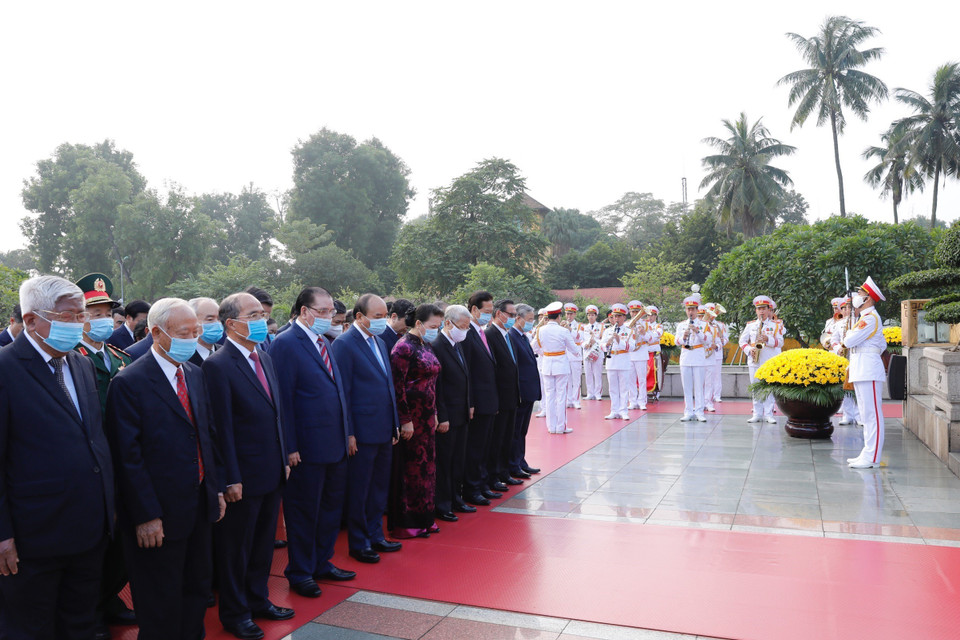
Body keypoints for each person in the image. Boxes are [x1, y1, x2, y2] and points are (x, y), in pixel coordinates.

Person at [0, 275, 115, 640]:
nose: (79, 324)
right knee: (31, 628)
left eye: (81, 316)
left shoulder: (79, 363)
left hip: (88, 528)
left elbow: (93, 438)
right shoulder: (5, 369)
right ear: (31, 320)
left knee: (81, 623)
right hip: (33, 536)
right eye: (67, 317)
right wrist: (2, 534)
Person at [105, 297, 225, 640]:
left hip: (198, 508)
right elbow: (127, 458)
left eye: (196, 331)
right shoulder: (128, 383)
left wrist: (214, 490)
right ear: (157, 333)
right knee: (160, 603)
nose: (193, 338)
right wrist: (145, 515)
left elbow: (207, 436)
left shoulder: (196, 375)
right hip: (157, 515)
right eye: (184, 332)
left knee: (195, 593)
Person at [203, 292, 292, 640]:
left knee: (262, 545)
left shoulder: (263, 356)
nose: (261, 320)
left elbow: (276, 413)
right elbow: (220, 428)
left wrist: (284, 456)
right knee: (235, 551)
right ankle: (235, 612)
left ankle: (259, 599)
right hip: (242, 476)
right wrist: (230, 477)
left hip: (271, 470)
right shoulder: (218, 365)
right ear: (232, 324)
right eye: (252, 314)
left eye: (262, 314)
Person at [267, 287, 351, 598]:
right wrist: (289, 447)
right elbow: (283, 402)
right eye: (325, 311)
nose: (331, 316)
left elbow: (337, 392)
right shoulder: (287, 344)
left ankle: (321, 561)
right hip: (305, 448)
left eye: (332, 311)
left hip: (334, 443)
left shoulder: (324, 342)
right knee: (304, 512)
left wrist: (347, 434)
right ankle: (300, 570)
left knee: (329, 509)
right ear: (305, 311)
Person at [73, 273, 136, 638]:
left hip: (124, 460)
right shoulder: (73, 358)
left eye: (106, 310)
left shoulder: (119, 356)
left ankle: (110, 595)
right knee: (95, 541)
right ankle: (93, 607)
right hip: (93, 466)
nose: (101, 318)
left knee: (122, 540)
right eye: (93, 311)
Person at [331, 294, 402, 564]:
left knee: (378, 487)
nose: (382, 321)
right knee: (360, 489)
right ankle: (359, 542)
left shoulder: (379, 341)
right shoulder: (344, 345)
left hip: (384, 428)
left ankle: (376, 535)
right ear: (359, 317)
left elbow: (388, 386)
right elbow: (344, 393)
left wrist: (394, 421)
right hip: (361, 431)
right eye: (376, 316)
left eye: (384, 315)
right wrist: (349, 432)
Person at [389, 304, 444, 538]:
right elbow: (397, 386)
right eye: (433, 326)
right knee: (410, 470)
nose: (436, 330)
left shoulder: (426, 344)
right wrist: (405, 419)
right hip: (411, 420)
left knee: (427, 470)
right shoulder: (402, 348)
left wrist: (436, 412)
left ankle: (425, 518)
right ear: (419, 324)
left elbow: (432, 383)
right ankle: (407, 522)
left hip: (428, 416)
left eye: (439, 326)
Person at [432, 305, 474, 520]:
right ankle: (443, 503)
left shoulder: (457, 344)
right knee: (445, 462)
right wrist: (443, 416)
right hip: (448, 416)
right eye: (462, 327)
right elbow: (438, 387)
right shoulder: (437, 346)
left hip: (462, 413)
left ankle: (456, 499)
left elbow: (465, 378)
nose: (465, 331)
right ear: (448, 323)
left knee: (458, 459)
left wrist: (469, 404)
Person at [843, 277, 888, 469]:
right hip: (862, 368)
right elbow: (881, 343)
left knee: (872, 415)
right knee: (865, 413)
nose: (856, 297)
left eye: (860, 294)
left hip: (868, 369)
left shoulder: (870, 318)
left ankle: (873, 456)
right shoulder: (865, 318)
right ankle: (868, 452)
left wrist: (849, 335)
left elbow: (849, 341)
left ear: (868, 298)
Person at [460, 291, 500, 506]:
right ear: (474, 310)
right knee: (475, 448)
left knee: (485, 446)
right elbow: (467, 372)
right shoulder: (467, 335)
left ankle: (482, 484)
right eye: (486, 311)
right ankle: (472, 488)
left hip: (490, 400)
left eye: (491, 311)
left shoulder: (482, 333)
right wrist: (471, 402)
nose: (489, 315)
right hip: (477, 402)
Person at [486, 299, 523, 490]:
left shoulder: (507, 335)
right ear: (499, 314)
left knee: (507, 437)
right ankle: (493, 476)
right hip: (500, 397)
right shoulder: (490, 334)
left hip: (511, 396)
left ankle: (504, 472)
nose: (513, 318)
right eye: (510, 314)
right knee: (497, 439)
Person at [533, 301, 579, 433]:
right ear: (559, 317)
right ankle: (560, 426)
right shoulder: (563, 331)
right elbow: (574, 349)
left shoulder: (540, 330)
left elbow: (534, 347)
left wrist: (545, 353)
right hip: (561, 365)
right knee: (561, 396)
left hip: (547, 364)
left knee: (549, 396)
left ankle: (551, 427)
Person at [508, 304, 542, 477]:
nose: (531, 323)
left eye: (532, 319)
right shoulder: (512, 336)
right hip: (521, 392)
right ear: (518, 318)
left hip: (529, 391)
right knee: (516, 430)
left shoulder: (523, 336)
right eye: (529, 320)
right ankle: (514, 464)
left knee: (522, 430)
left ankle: (521, 461)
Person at [739, 296, 784, 424]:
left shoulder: (776, 325)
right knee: (755, 387)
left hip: (769, 360)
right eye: (759, 309)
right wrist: (749, 350)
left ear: (768, 309)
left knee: (768, 386)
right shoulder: (751, 325)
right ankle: (757, 413)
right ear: (756, 311)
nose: (761, 311)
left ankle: (769, 413)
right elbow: (742, 341)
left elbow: (780, 342)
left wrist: (767, 339)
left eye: (764, 308)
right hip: (754, 360)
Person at [830, 296, 861, 426]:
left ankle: (859, 415)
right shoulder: (839, 324)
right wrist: (838, 348)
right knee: (846, 387)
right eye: (846, 308)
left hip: (858, 357)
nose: (849, 310)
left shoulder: (861, 322)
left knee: (858, 388)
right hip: (844, 358)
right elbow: (833, 340)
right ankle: (847, 415)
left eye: (851, 307)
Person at [676, 298, 709, 422]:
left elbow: (707, 340)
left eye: (693, 309)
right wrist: (683, 337)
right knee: (687, 386)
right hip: (685, 356)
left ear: (697, 310)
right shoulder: (681, 325)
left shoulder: (703, 324)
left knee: (699, 386)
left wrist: (697, 331)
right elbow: (676, 341)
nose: (690, 312)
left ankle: (700, 411)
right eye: (688, 309)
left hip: (698, 356)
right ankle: (688, 411)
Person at [601, 303, 631, 420]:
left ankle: (623, 410)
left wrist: (619, 340)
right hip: (611, 360)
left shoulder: (628, 331)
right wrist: (607, 344)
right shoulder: (608, 331)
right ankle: (614, 410)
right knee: (613, 388)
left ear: (624, 317)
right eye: (615, 316)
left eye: (619, 316)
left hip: (623, 361)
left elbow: (631, 347)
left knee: (623, 388)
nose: (616, 319)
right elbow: (601, 345)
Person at [189, 297, 223, 366]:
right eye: (210, 319)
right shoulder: (184, 357)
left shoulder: (226, 353)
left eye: (219, 319)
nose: (217, 323)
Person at [563, 303, 584, 409]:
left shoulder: (580, 326)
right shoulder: (562, 324)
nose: (569, 316)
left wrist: (570, 330)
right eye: (567, 314)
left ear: (575, 314)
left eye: (571, 314)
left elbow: (580, 337)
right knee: (567, 379)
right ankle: (569, 399)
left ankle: (576, 400)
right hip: (565, 354)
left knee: (576, 379)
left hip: (575, 355)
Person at [581, 304, 604, 401]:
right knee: (588, 373)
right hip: (587, 352)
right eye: (589, 315)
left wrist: (596, 342)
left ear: (596, 316)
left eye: (593, 315)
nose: (591, 316)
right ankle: (590, 393)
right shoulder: (584, 327)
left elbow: (603, 340)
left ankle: (598, 393)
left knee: (597, 373)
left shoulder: (601, 327)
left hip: (597, 352)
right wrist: (585, 344)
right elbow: (580, 340)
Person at [644, 306, 664, 401]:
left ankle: (656, 390)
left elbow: (657, 335)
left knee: (655, 371)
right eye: (648, 315)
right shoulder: (644, 325)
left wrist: (647, 335)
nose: (650, 317)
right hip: (644, 352)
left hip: (654, 352)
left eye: (652, 315)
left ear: (656, 316)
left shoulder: (658, 326)